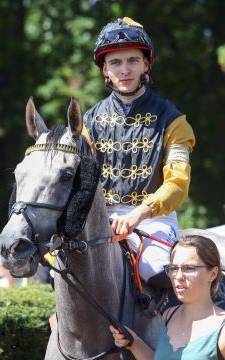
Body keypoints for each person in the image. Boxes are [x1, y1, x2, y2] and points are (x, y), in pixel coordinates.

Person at [83, 17, 195, 287]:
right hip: (101, 220)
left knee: (154, 270)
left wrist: (137, 215)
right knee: (60, 273)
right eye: (116, 63)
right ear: (105, 71)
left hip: (153, 221)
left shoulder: (174, 121)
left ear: (146, 64)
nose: (125, 70)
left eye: (132, 60)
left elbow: (177, 184)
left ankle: (175, 325)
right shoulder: (88, 122)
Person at [110, 235, 225, 359]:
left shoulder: (222, 331)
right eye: (174, 268)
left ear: (213, 274)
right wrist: (134, 343)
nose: (178, 276)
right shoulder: (168, 315)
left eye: (189, 268)